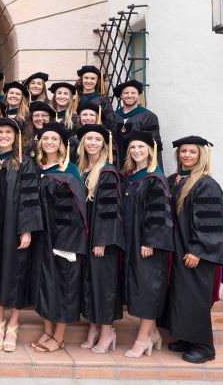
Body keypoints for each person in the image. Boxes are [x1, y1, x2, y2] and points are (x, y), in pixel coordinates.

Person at [160, 136, 223, 364]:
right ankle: (185, 338)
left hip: (194, 251)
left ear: (201, 156)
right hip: (177, 248)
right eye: (183, 151)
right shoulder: (173, 180)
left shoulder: (206, 184)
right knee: (180, 295)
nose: (186, 155)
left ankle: (203, 346)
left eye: (192, 152)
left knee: (194, 297)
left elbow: (210, 222)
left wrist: (198, 249)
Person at [0, 118, 43, 353]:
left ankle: (14, 324)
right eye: (0, 132)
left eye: (8, 132)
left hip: (14, 227)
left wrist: (26, 229)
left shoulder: (24, 163)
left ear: (15, 136)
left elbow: (30, 199)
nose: (4, 135)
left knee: (16, 273)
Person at [29, 122, 87, 353]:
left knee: (63, 283)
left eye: (54, 139)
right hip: (41, 236)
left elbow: (75, 210)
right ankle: (47, 329)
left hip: (63, 238)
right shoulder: (36, 167)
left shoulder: (69, 170)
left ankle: (59, 336)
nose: (49, 142)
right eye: (45, 138)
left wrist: (66, 243)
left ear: (62, 144)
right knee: (42, 283)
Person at [121, 131, 174, 358]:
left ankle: (142, 340)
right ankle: (152, 333)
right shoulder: (131, 176)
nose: (136, 151)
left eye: (141, 147)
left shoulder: (155, 178)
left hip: (147, 244)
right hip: (133, 241)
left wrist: (150, 241)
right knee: (139, 287)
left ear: (150, 150)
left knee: (147, 290)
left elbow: (159, 213)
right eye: (132, 147)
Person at [76, 124, 125, 354]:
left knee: (104, 285)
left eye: (97, 139)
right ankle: (94, 327)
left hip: (102, 241)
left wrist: (102, 241)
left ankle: (107, 332)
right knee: (91, 283)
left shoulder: (107, 172)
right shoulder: (83, 168)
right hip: (87, 238)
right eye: (89, 139)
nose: (92, 142)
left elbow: (110, 210)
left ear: (104, 144)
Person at [111, 80, 162, 168]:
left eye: (133, 93)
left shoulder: (148, 116)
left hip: (140, 164)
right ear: (121, 96)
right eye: (126, 93)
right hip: (117, 164)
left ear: (138, 94)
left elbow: (154, 145)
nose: (130, 95)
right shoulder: (113, 116)